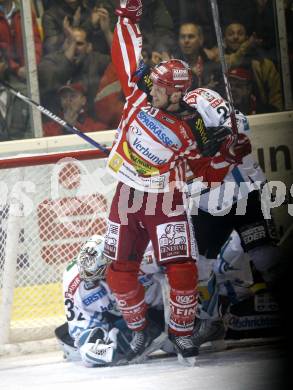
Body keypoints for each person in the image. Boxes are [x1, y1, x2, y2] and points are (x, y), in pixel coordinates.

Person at [103, 0, 252, 364]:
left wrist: (230, 152)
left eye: (159, 87)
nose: (151, 88)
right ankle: (140, 331)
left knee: (182, 269)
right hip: (126, 197)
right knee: (119, 270)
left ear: (175, 93)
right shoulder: (138, 94)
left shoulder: (194, 130)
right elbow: (126, 53)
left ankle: (184, 335)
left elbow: (207, 171)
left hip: (166, 202)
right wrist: (128, 16)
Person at [185, 89, 282, 351]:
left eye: (161, 87)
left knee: (265, 258)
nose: (156, 93)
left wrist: (224, 138)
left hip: (242, 192)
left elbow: (240, 123)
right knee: (199, 266)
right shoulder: (155, 116)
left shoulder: (200, 98)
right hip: (207, 202)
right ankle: (210, 322)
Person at [55, 235, 171, 367]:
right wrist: (115, 352)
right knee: (87, 354)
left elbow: (185, 266)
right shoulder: (73, 281)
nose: (92, 283)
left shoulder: (142, 255)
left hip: (159, 310)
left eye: (100, 277)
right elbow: (83, 333)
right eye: (89, 278)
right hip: (117, 320)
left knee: (173, 345)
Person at [0, 0, 42, 82]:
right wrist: (16, 69)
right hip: (6, 75)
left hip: (30, 70)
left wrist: (32, 65)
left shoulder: (24, 11)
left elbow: (35, 42)